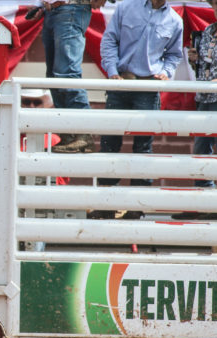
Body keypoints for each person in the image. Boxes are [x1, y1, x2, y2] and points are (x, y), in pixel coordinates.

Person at [88, 0, 183, 220]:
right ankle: (107, 204)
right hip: (121, 82)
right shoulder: (125, 7)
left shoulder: (175, 21)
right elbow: (110, 39)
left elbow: (174, 55)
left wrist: (166, 71)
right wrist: (112, 71)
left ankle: (136, 206)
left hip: (148, 86)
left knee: (143, 147)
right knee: (110, 143)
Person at [173, 0, 217, 221]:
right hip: (205, 95)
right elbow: (207, 64)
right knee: (200, 148)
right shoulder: (208, 30)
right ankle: (202, 200)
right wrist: (196, 60)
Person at [27, 0, 107, 153]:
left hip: (70, 7)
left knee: (66, 73)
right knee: (56, 76)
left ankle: (82, 134)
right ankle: (69, 133)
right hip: (57, 9)